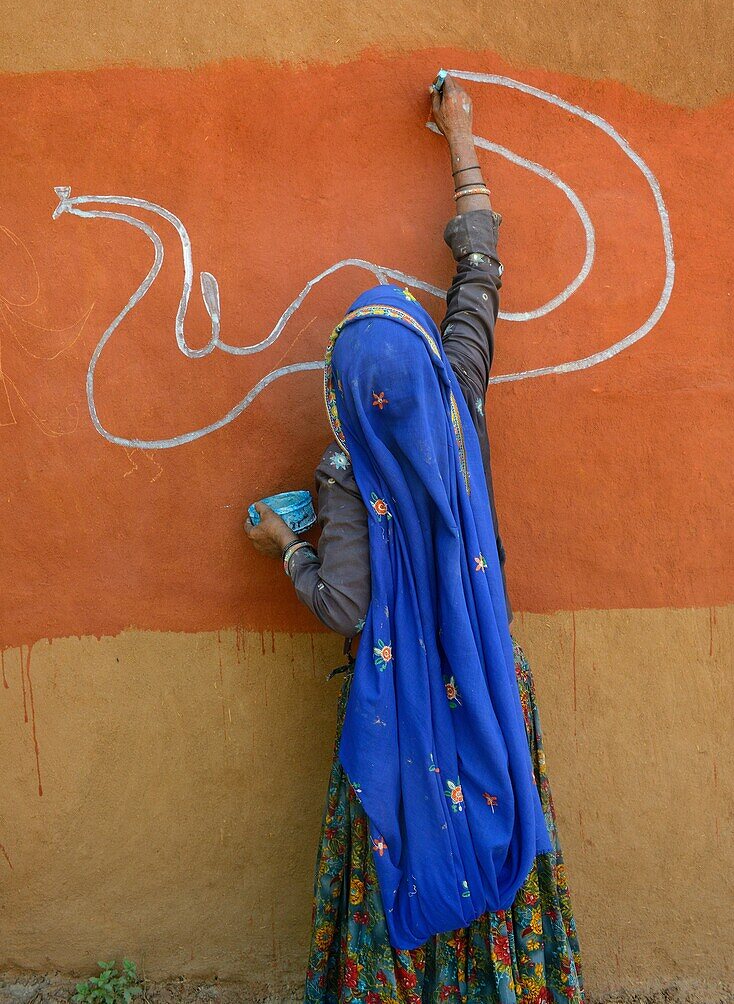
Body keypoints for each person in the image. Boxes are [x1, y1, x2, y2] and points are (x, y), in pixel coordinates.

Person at [245, 76, 584, 1003]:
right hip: (484, 679)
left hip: (402, 713)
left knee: (412, 843)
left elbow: (345, 604)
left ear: (348, 390)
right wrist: (461, 140)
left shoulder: (347, 476)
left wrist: (289, 546)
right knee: (487, 826)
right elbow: (480, 277)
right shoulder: (457, 405)